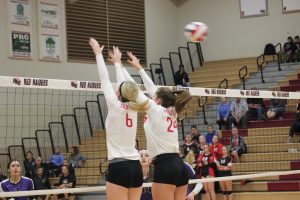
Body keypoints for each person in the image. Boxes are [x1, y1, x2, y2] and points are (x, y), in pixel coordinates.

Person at [89, 39, 149, 200]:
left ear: (119, 93)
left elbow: (104, 79)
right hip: (136, 166)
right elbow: (127, 85)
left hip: (119, 166)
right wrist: (117, 63)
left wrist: (98, 54)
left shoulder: (114, 104)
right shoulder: (135, 106)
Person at [129, 51, 192, 200]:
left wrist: (120, 67)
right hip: (179, 165)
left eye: (155, 96)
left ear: (158, 100)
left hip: (165, 167)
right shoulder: (172, 110)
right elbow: (153, 89)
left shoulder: (154, 108)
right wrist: (139, 68)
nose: (153, 95)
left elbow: (136, 91)